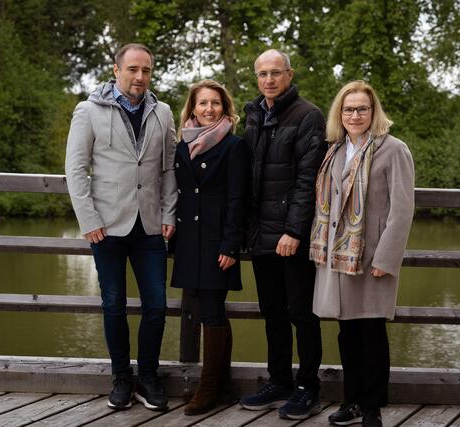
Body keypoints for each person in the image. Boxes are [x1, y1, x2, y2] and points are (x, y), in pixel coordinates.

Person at [65, 43, 177, 411]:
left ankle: (148, 377)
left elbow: (168, 169)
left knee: (156, 306)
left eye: (146, 70)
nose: (140, 77)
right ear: (117, 70)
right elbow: (75, 170)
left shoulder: (163, 112)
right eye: (132, 69)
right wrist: (89, 220)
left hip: (150, 226)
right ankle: (121, 378)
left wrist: (168, 213)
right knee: (113, 305)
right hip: (107, 227)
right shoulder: (88, 111)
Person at [309, 80, 414, 427]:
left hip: (371, 260)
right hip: (339, 259)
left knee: (372, 334)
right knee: (347, 334)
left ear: (373, 112)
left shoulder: (393, 149)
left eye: (362, 109)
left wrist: (386, 259)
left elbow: (402, 210)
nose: (355, 115)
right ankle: (351, 401)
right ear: (340, 113)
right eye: (349, 109)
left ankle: (372, 407)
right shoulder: (336, 150)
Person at [239, 49, 327, 420]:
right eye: (263, 74)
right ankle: (279, 381)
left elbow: (308, 180)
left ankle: (308, 387)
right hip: (261, 234)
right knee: (272, 312)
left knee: (301, 313)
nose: (269, 80)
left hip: (292, 237)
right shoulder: (253, 113)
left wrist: (294, 230)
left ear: (289, 74)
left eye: (276, 72)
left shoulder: (308, 115)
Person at [169, 79, 249, 415]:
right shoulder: (182, 145)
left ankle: (207, 388)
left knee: (213, 309)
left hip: (218, 240)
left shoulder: (234, 146)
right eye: (202, 103)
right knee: (206, 308)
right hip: (189, 239)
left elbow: (238, 199)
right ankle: (223, 384)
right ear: (193, 108)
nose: (209, 109)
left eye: (215, 103)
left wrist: (230, 245)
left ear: (224, 107)